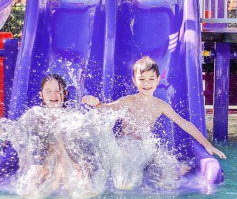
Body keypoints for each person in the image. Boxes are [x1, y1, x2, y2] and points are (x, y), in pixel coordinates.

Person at [81, 56, 226, 187]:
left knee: (165, 166)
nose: (146, 83)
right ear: (135, 81)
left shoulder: (160, 105)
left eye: (151, 79)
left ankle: (175, 171)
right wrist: (96, 104)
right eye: (142, 79)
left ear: (157, 81)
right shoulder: (128, 101)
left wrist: (207, 145)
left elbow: (184, 123)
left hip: (145, 148)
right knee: (124, 157)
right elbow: (107, 109)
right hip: (127, 145)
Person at [0, 73, 69, 178]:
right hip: (43, 159)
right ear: (41, 94)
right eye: (48, 91)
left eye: (58, 91)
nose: (53, 95)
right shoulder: (35, 115)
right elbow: (7, 135)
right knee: (38, 171)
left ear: (65, 93)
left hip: (62, 158)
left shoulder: (71, 117)